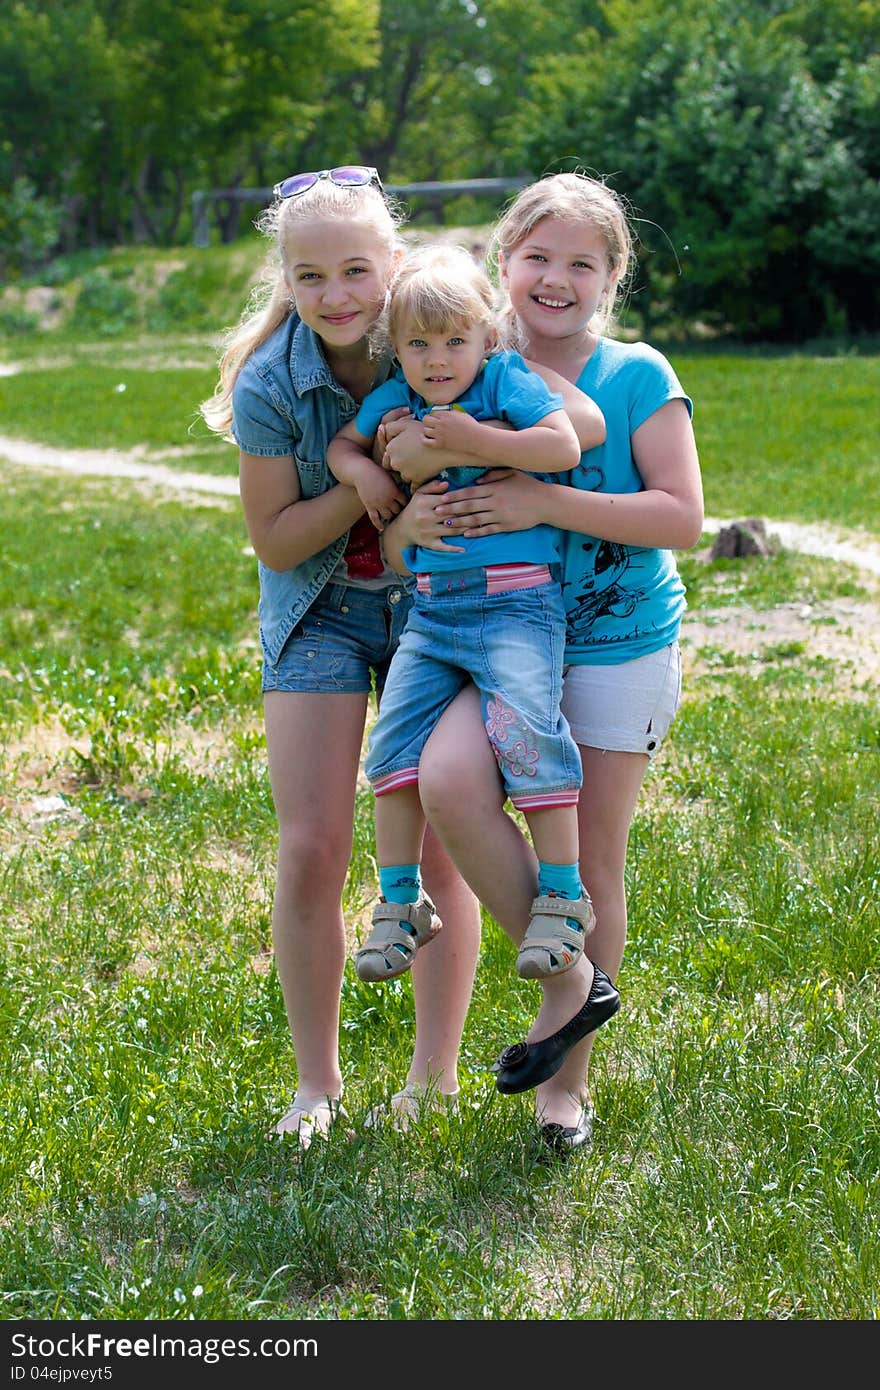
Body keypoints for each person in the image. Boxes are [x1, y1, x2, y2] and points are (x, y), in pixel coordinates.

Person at [381, 171, 704, 1154]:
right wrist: (408, 529)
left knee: (592, 857)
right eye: (537, 257)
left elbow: (680, 517)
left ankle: (565, 1086)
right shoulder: (459, 361)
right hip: (493, 640)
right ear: (502, 265)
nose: (555, 278)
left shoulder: (635, 374)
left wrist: (544, 501)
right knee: (443, 781)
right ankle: (574, 986)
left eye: (582, 262)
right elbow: (400, 524)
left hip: (612, 643)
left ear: (612, 277)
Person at [199, 166, 484, 1143]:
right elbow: (276, 541)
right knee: (312, 845)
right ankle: (315, 1085)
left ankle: (431, 1079)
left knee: (437, 844)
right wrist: (374, 481)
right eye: (310, 275)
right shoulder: (275, 379)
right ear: (286, 278)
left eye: (357, 269)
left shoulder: (438, 344)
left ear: (392, 264)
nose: (337, 294)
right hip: (316, 612)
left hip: (434, 612)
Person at [327, 242, 606, 989]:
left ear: (487, 337)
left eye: (455, 340)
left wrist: (468, 439)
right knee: (392, 751)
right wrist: (362, 474)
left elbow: (563, 442)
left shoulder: (505, 381)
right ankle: (399, 904)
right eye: (418, 343)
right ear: (398, 349)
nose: (438, 358)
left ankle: (562, 893)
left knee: (527, 734)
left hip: (516, 604)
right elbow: (342, 446)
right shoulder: (399, 400)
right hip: (434, 611)